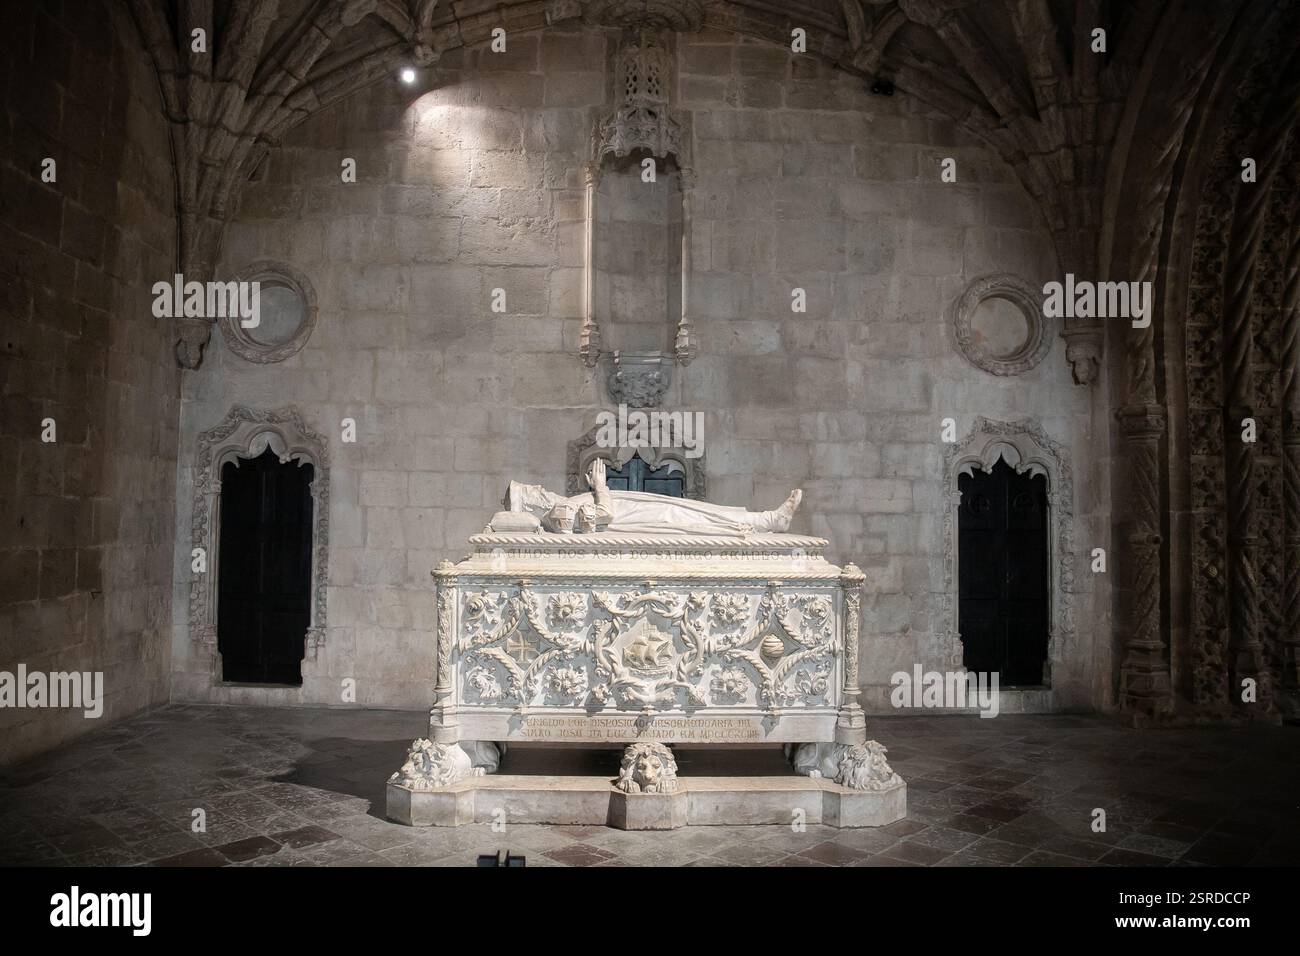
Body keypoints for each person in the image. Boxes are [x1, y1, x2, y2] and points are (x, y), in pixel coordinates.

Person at [504, 458, 802, 536]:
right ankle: (770, 521)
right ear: (528, 504)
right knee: (698, 519)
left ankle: (768, 519)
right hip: (634, 521)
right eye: (533, 492)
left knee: (700, 512)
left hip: (634, 510)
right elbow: (602, 517)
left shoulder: (559, 507)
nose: (540, 490)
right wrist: (599, 486)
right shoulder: (554, 515)